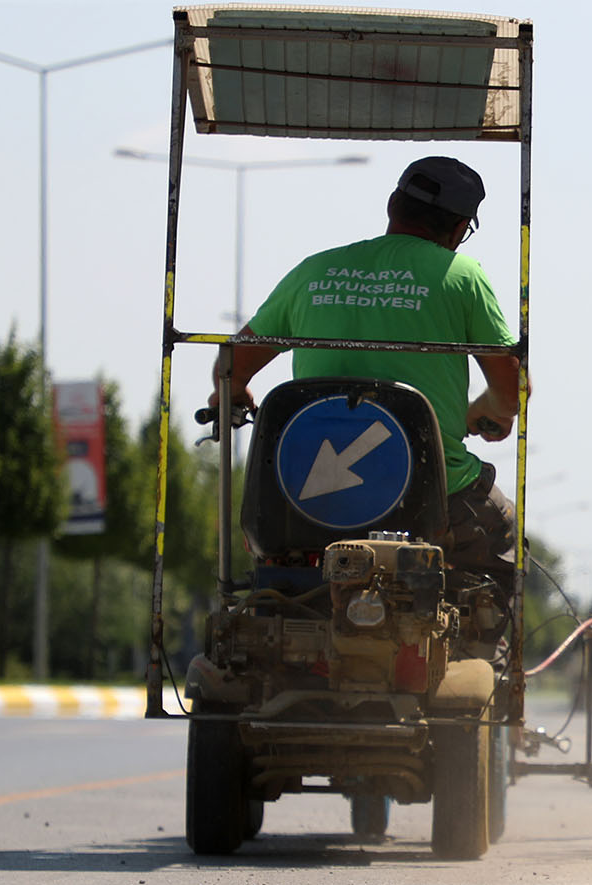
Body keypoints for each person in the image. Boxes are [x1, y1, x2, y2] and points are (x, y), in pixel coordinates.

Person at [210, 156, 522, 579]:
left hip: (305, 499)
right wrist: (489, 411)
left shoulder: (314, 271)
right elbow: (510, 388)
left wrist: (232, 393)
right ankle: (480, 644)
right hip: (431, 495)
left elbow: (232, 364)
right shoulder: (462, 277)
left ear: (393, 205)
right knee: (502, 544)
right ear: (457, 229)